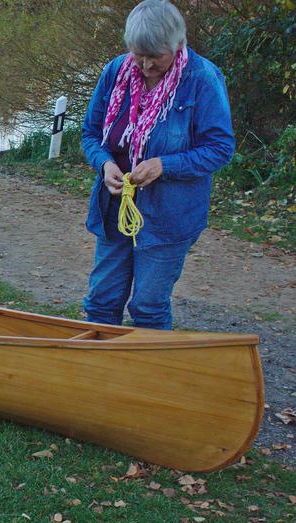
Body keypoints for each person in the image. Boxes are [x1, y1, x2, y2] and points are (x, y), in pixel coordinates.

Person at [80, 0, 235, 330]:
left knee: (148, 306)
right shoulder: (115, 71)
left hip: (169, 217)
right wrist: (105, 163)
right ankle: (97, 372)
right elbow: (90, 134)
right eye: (139, 54)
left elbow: (221, 148)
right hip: (115, 209)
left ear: (178, 45)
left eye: (156, 56)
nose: (146, 65)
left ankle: (149, 375)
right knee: (102, 299)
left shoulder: (203, 80)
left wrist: (165, 165)